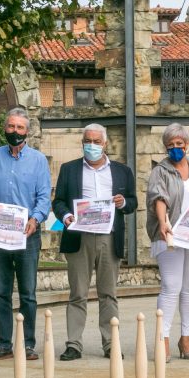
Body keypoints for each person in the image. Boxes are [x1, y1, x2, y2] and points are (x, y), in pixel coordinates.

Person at [53, 124, 137, 360]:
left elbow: (133, 202)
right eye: (87, 141)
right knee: (77, 293)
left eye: (96, 141)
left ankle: (111, 343)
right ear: (82, 142)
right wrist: (65, 216)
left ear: (105, 144)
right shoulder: (68, 169)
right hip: (79, 237)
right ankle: (73, 345)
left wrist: (122, 203)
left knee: (108, 294)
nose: (92, 145)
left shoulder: (122, 171)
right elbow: (58, 201)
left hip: (109, 237)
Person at [0, 107, 51, 361]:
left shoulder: (38, 160)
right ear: (4, 128)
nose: (14, 131)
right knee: (1, 292)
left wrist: (35, 219)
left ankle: (28, 344)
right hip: (0, 233)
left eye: (19, 128)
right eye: (11, 126)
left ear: (27, 132)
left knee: (28, 292)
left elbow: (44, 197)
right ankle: (4, 343)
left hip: (28, 234)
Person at [146, 123, 189, 362]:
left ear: (186, 144)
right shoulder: (160, 171)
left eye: (179, 143)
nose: (176, 148)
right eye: (171, 145)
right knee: (170, 286)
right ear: (165, 147)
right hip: (171, 234)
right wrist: (162, 222)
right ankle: (162, 339)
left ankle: (185, 338)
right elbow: (159, 197)